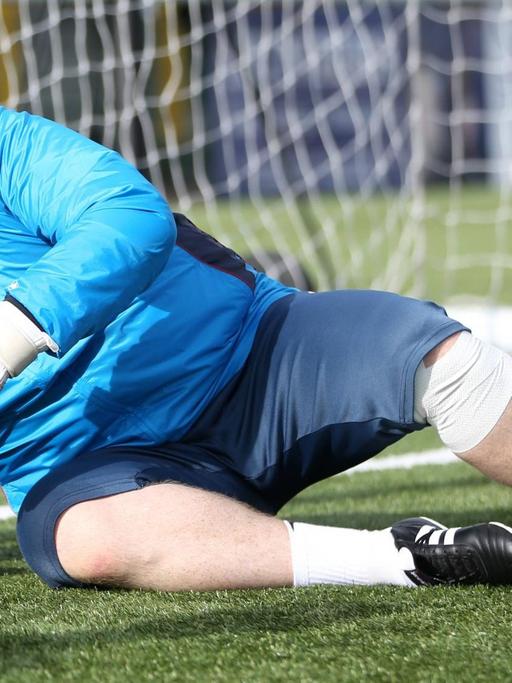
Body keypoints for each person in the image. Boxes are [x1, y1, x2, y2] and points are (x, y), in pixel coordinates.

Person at [1, 106, 511, 593]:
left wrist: (11, 337)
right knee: (87, 539)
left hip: (258, 350)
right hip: (86, 464)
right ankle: (404, 559)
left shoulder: (8, 144)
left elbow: (130, 216)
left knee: (441, 359)